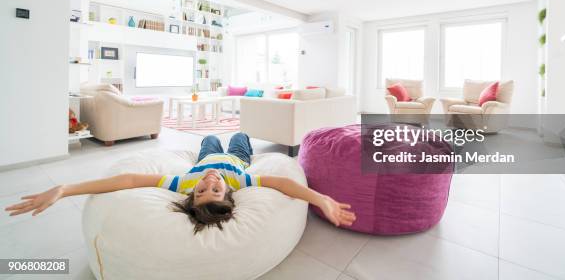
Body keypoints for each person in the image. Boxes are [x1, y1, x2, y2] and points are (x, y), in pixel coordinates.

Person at [5, 133, 356, 233]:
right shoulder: (240, 177)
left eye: (201, 190)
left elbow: (127, 180)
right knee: (240, 135)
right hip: (238, 155)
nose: (208, 182)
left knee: (207, 141)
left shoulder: (182, 182)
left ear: (190, 194)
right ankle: (239, 139)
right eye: (214, 189)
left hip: (204, 153)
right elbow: (282, 182)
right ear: (230, 193)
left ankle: (209, 141)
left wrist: (65, 188)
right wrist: (319, 198)